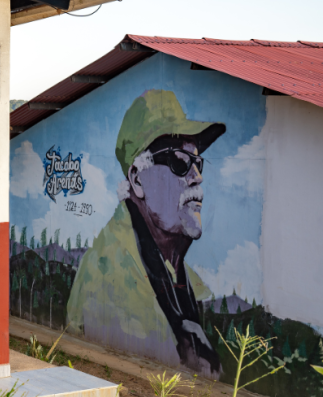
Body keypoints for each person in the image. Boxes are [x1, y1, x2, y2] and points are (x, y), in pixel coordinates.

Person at [66, 90, 226, 377]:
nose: (197, 176)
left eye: (197, 162)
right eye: (180, 162)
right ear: (137, 179)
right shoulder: (111, 277)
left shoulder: (170, 267)